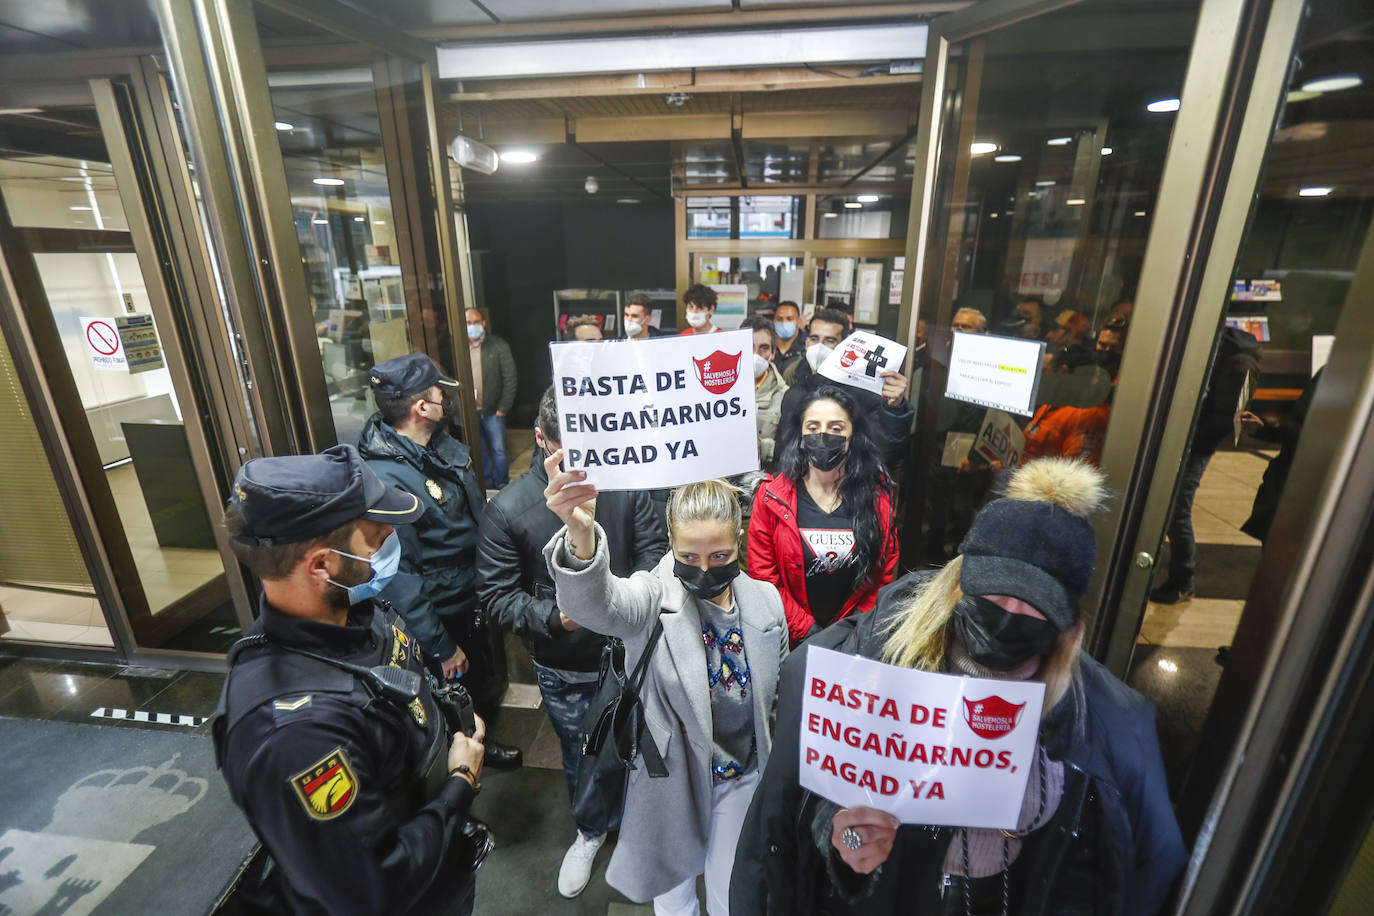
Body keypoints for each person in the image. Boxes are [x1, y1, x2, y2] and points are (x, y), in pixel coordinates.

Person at [732, 458, 1186, 915]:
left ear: (1067, 622)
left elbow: (1117, 865)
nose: (1008, 611)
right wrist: (847, 846)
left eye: (1034, 603)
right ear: (958, 582)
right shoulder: (870, 659)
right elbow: (793, 812)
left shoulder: (1096, 720)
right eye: (993, 590)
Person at [214, 445, 488, 915]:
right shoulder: (296, 736)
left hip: (441, 869)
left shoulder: (355, 612)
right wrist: (461, 782)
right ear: (322, 565)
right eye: (376, 540)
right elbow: (371, 890)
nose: (388, 545)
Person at [542, 468, 788, 916]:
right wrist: (580, 535)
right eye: (689, 558)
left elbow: (775, 699)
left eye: (719, 555)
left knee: (730, 895)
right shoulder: (654, 597)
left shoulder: (766, 603)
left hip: (741, 777)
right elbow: (596, 603)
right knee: (673, 899)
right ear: (671, 545)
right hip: (671, 780)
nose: (705, 569)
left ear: (739, 540)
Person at [476, 388, 668, 898]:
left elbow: (653, 548)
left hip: (635, 650)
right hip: (568, 665)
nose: (588, 461)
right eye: (572, 449)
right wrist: (557, 617)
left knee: (645, 744)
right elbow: (497, 598)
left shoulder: (625, 483)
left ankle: (640, 827)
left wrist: (632, 598)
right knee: (582, 751)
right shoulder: (511, 509)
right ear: (541, 439)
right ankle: (588, 830)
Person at [358, 353, 522, 769]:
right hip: (440, 610)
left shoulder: (438, 445)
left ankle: (479, 739)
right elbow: (399, 575)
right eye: (438, 393)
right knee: (448, 695)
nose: (444, 399)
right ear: (420, 408)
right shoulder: (387, 481)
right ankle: (458, 769)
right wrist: (441, 645)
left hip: (471, 593)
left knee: (480, 678)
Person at [749, 384, 899, 647]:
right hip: (789, 640)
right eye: (813, 427)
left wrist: (850, 632)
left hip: (853, 641)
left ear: (854, 435)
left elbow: (882, 577)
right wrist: (808, 631)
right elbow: (764, 578)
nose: (823, 435)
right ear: (800, 433)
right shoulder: (771, 497)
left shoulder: (878, 501)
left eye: (836, 428)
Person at [1151, 326, 1259, 604]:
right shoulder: (1226, 357)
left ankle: (1182, 581)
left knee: (1178, 512)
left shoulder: (1238, 365)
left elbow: (1224, 417)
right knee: (1172, 510)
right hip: (1189, 442)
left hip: (1195, 447)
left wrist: (1190, 443)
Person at [779, 307, 914, 472]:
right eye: (814, 338)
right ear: (807, 343)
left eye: (829, 340)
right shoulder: (793, 394)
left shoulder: (865, 397)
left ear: (845, 346)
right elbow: (784, 456)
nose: (819, 347)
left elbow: (887, 457)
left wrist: (895, 410)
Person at [465, 307, 517, 488]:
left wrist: (503, 408)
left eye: (476, 322)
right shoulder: (458, 348)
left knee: (499, 450)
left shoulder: (498, 345)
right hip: (470, 411)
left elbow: (510, 378)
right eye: (468, 323)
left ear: (483, 323)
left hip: (493, 410)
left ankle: (502, 483)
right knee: (479, 451)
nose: (472, 326)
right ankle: (485, 482)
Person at [747, 314, 789, 468]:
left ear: (773, 353)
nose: (756, 355)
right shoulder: (719, 391)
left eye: (764, 348)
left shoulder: (785, 396)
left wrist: (762, 446)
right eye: (749, 347)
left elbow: (789, 447)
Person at [771, 300, 805, 379]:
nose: (784, 323)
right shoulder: (767, 348)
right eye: (779, 319)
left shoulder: (805, 349)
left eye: (789, 319)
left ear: (799, 322)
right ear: (774, 322)